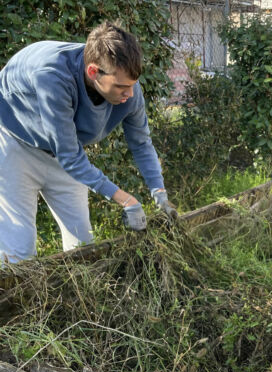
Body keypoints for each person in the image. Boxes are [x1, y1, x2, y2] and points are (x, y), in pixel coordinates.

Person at [0, 21, 177, 264]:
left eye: (133, 85)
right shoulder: (52, 78)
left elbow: (141, 143)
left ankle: (76, 300)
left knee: (83, 246)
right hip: (15, 145)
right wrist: (125, 200)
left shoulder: (129, 91)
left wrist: (159, 191)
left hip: (63, 151)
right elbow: (70, 157)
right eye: (121, 87)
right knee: (19, 251)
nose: (130, 95)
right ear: (94, 72)